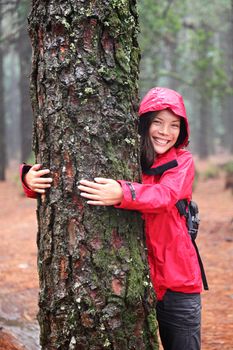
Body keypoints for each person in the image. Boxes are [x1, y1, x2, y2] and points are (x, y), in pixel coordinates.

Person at [20, 87, 204, 350]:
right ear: (144, 123)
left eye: (174, 125)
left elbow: (165, 195)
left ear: (182, 131)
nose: (165, 132)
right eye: (158, 123)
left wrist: (123, 192)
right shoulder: (127, 156)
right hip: (134, 284)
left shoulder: (182, 162)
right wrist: (28, 177)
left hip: (178, 283)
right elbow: (61, 175)